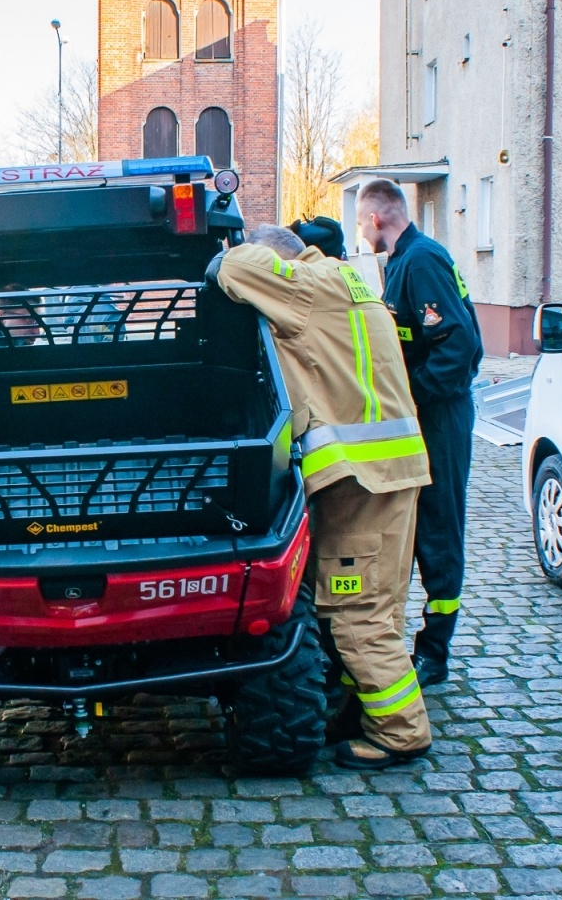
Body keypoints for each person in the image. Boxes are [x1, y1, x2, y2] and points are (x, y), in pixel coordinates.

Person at [214, 224, 434, 770]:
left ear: (282, 259)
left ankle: (401, 732)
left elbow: (233, 268)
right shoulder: (347, 280)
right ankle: (362, 712)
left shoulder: (306, 285)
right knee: (379, 605)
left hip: (360, 477)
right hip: (387, 470)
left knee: (356, 611)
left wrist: (223, 257)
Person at [356, 180, 482, 690]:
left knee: (438, 529)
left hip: (440, 417)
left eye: (361, 223)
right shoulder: (402, 261)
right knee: (413, 527)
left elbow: (459, 347)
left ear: (376, 219)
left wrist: (413, 396)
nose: (361, 233)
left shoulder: (421, 261)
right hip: (422, 415)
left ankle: (435, 651)